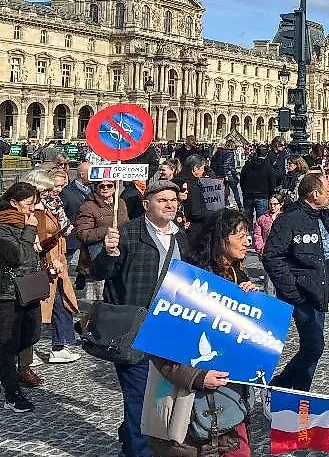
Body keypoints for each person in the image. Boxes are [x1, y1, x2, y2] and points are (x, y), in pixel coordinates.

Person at [144, 207, 258, 457]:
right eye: (239, 234)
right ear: (220, 238)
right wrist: (197, 377)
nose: (247, 240)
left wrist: (253, 305)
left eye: (248, 234)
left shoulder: (237, 275)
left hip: (230, 400)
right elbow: (159, 347)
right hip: (192, 406)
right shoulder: (187, 283)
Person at [92, 181, 190, 457]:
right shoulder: (127, 233)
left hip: (170, 328)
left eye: (173, 200)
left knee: (160, 394)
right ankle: (138, 450)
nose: (170, 205)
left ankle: (131, 437)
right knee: (139, 397)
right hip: (134, 328)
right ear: (147, 205)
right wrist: (108, 253)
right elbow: (100, 272)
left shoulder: (181, 236)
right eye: (163, 200)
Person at [263, 173, 329, 391]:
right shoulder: (290, 219)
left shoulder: (320, 216)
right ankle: (282, 385)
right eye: (326, 191)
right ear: (315, 194)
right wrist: (292, 290)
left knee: (313, 347)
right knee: (315, 345)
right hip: (302, 293)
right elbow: (272, 256)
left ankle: (299, 390)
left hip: (318, 291)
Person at [31, 168, 80, 365]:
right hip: (44, 263)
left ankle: (60, 345)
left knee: (61, 300)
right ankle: (28, 350)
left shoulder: (51, 205)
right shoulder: (35, 211)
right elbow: (40, 239)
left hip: (57, 260)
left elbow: (66, 227)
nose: (53, 193)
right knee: (36, 306)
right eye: (47, 190)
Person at [0, 182, 41, 413]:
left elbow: (30, 256)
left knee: (32, 332)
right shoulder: (3, 225)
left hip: (27, 288)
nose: (32, 209)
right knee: (7, 343)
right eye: (28, 204)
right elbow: (16, 256)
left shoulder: (25, 223)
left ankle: (5, 367)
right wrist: (30, 231)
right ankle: (12, 393)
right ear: (14, 203)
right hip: (6, 292)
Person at [75, 179, 128, 303]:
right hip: (96, 261)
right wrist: (107, 231)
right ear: (96, 187)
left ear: (115, 188)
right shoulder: (88, 206)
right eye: (102, 185)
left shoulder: (120, 203)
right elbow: (82, 234)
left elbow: (126, 224)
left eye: (109, 185)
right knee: (96, 305)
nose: (105, 188)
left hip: (119, 260)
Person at [59, 161, 91, 269]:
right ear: (82, 174)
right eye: (92, 172)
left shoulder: (94, 189)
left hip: (88, 236)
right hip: (71, 239)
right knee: (64, 268)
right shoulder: (66, 192)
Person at [240, 145, 275, 224]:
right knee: (262, 220)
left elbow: (242, 179)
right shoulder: (268, 166)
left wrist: (244, 191)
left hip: (248, 195)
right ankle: (260, 235)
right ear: (266, 154)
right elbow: (272, 182)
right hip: (262, 196)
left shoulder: (247, 165)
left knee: (247, 219)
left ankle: (248, 234)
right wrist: (271, 195)